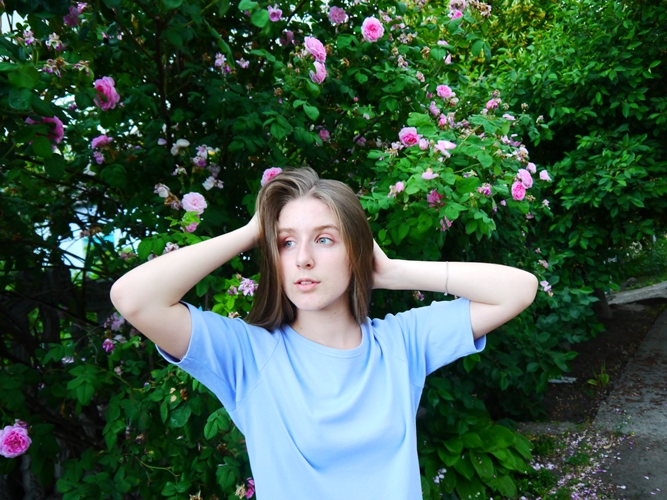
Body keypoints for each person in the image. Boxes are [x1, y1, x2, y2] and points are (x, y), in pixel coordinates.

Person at [110, 167, 537, 499]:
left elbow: (518, 290)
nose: (303, 259)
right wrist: (253, 231)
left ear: (356, 251)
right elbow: (134, 299)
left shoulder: (401, 343)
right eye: (286, 242)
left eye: (325, 240)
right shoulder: (247, 354)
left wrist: (391, 272)